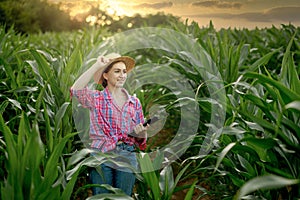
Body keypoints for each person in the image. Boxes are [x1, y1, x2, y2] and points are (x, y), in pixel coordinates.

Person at [70, 53, 148, 196]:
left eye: (124, 72)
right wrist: (97, 65)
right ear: (105, 75)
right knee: (101, 196)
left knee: (123, 197)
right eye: (117, 71)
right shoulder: (96, 98)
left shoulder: (134, 102)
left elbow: (140, 136)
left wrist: (141, 133)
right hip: (101, 153)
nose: (122, 75)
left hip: (127, 154)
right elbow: (76, 90)